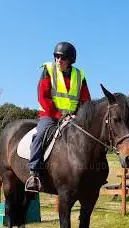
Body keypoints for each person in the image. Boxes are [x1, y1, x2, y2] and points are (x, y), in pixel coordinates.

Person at [25, 42, 92, 192]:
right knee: (40, 135)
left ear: (70, 60)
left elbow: (85, 100)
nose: (58, 60)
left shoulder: (79, 75)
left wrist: (79, 115)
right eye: (56, 56)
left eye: (62, 58)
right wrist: (59, 115)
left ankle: (92, 174)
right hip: (49, 115)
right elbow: (43, 96)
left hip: (73, 117)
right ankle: (34, 173)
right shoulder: (48, 70)